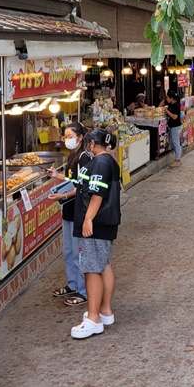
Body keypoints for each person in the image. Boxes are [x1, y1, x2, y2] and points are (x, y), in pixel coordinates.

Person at [71, 128, 121, 339]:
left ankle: (93, 318)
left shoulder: (100, 163)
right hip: (106, 222)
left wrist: (88, 219)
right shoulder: (109, 161)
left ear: (92, 144)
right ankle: (105, 310)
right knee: (103, 265)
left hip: (96, 221)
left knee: (91, 269)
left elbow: (97, 194)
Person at [48, 122, 89, 307]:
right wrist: (56, 175)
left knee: (79, 252)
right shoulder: (72, 155)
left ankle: (83, 291)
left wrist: (62, 195)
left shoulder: (84, 158)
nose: (67, 140)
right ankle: (73, 284)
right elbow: (72, 179)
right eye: (65, 136)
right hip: (68, 210)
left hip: (79, 210)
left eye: (69, 136)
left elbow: (82, 185)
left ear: (80, 137)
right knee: (69, 251)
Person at [160, 91, 183, 167]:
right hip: (172, 126)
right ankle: (177, 156)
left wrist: (166, 110)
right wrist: (164, 100)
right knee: (172, 142)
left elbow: (174, 117)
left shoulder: (176, 106)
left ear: (172, 98)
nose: (167, 99)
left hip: (176, 126)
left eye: (168, 97)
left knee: (176, 143)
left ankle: (177, 160)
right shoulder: (170, 103)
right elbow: (159, 107)